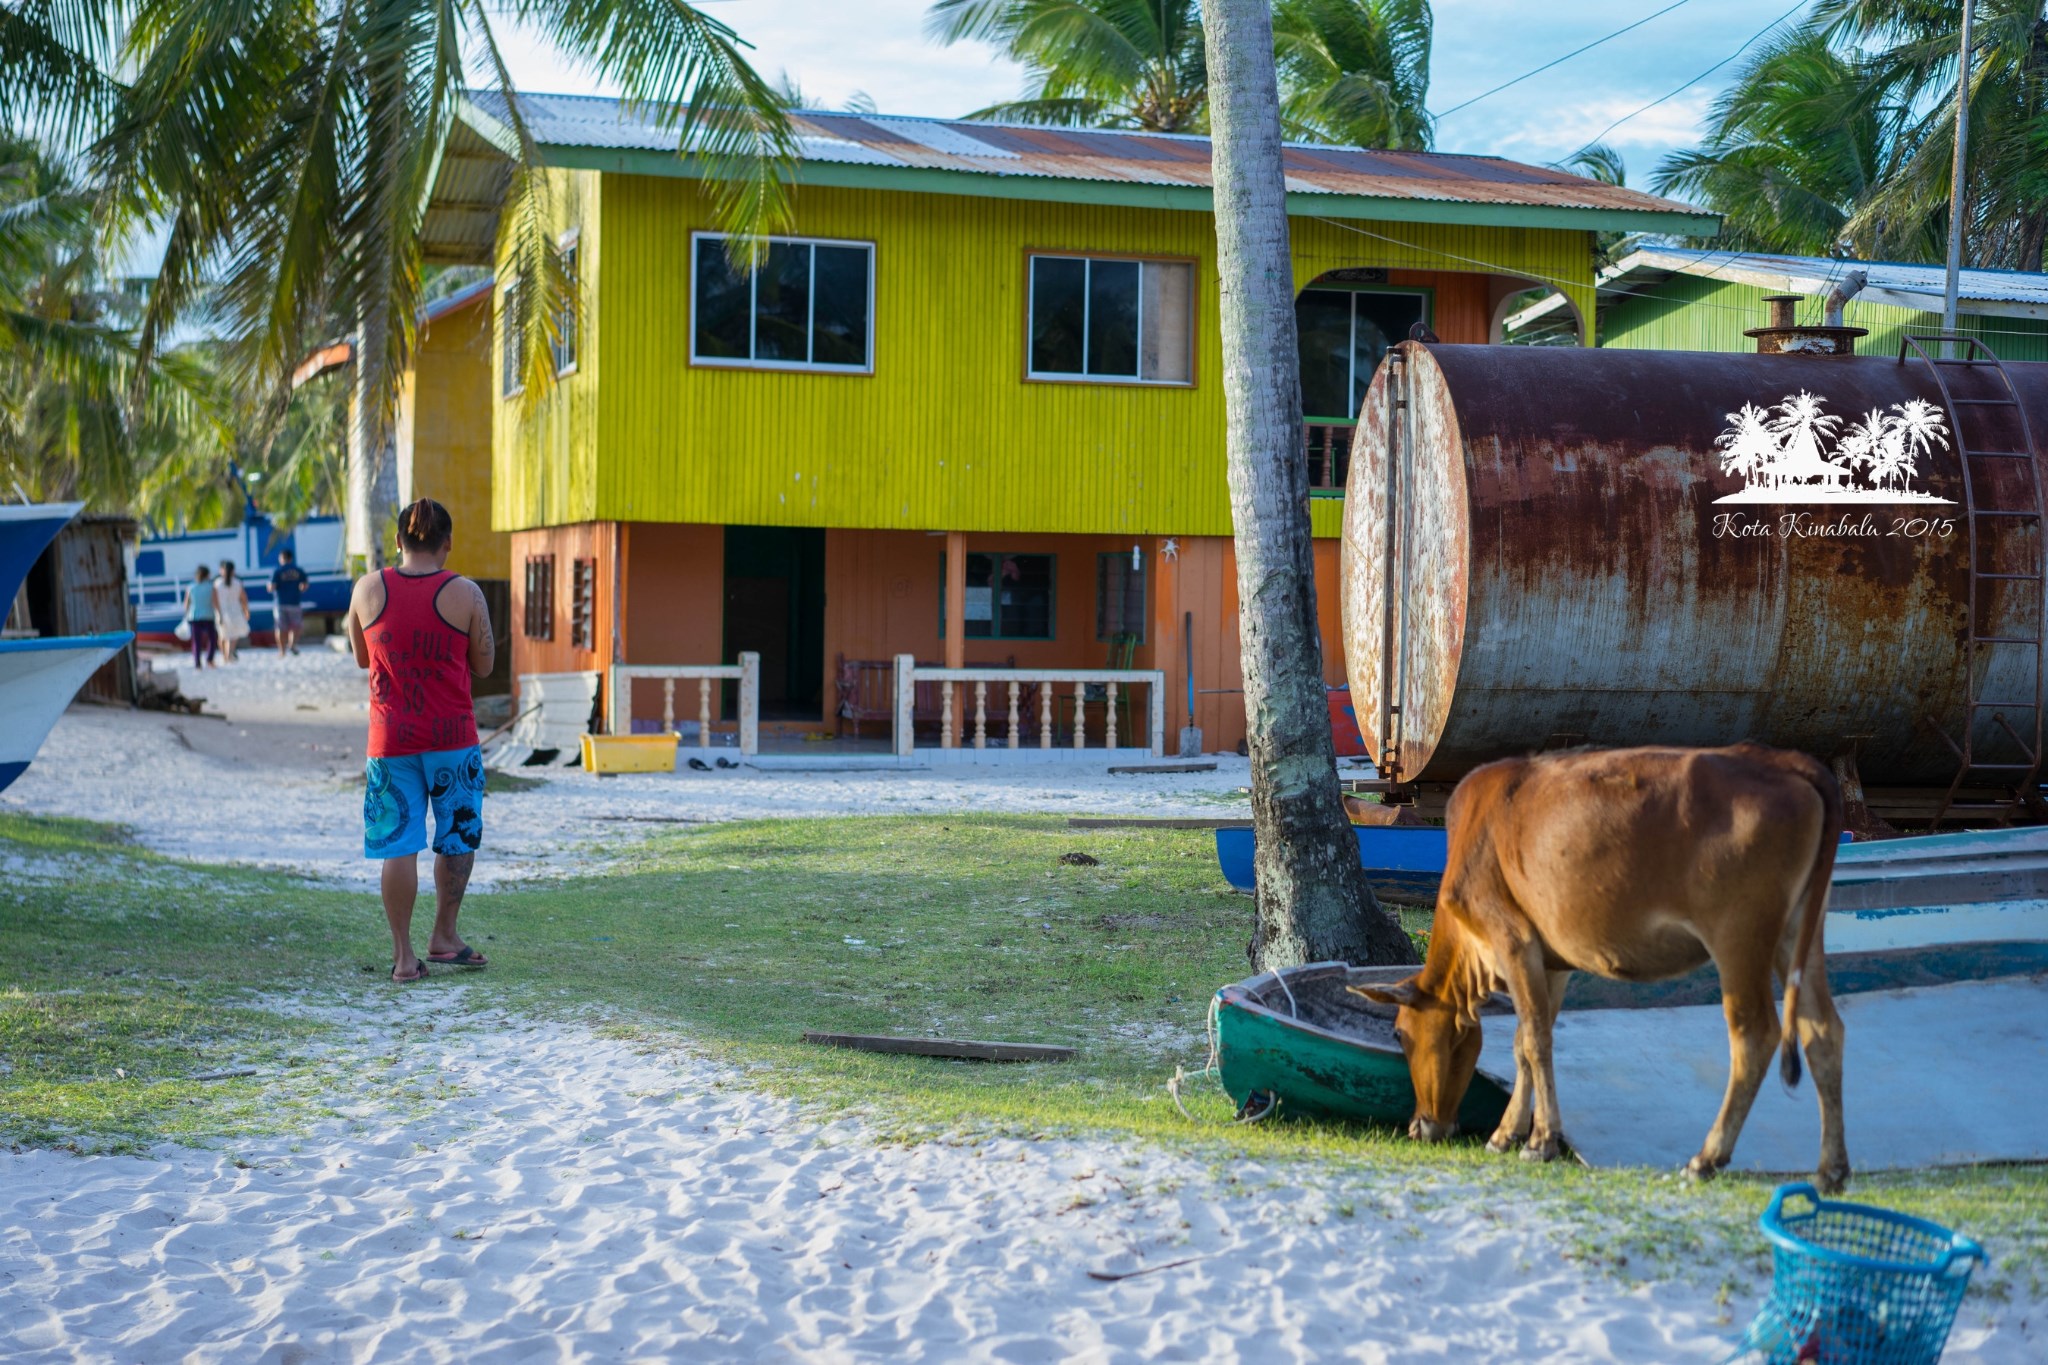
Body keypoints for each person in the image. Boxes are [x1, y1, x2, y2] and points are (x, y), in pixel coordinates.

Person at [346, 499, 496, 982]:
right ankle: (445, 936)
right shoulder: (467, 594)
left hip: (390, 742)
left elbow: (362, 658)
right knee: (456, 839)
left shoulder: (366, 589)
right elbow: (485, 665)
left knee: (398, 847)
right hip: (453, 737)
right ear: (447, 544)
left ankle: (404, 957)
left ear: (398, 543)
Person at [271, 549, 309, 657]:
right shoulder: (298, 570)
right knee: (296, 627)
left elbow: (272, 587)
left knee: (280, 628)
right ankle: (292, 644)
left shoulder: (277, 571)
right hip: (295, 602)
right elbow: (304, 585)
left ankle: (282, 651)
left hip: (280, 603)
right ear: (291, 558)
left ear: (282, 558)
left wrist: (269, 587)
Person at [184, 565, 219, 669]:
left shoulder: (190, 587)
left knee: (196, 641)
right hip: (208, 616)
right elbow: (215, 602)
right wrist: (220, 614)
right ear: (207, 575)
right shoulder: (211, 587)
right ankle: (209, 659)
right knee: (212, 639)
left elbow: (186, 603)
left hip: (194, 616)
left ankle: (197, 663)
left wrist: (185, 615)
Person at [215, 560, 250, 662]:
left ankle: (224, 656)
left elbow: (214, 600)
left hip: (222, 610)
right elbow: (243, 598)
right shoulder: (237, 583)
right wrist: (246, 610)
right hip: (235, 610)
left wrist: (217, 611)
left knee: (222, 635)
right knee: (233, 634)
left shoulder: (217, 583)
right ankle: (229, 654)